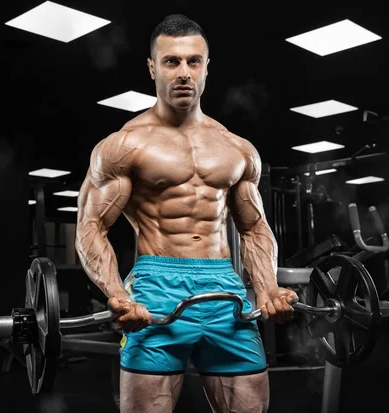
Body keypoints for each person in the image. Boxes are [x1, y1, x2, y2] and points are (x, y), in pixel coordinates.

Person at [75, 14, 299, 413]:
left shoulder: (236, 148)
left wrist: (266, 288)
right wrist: (116, 294)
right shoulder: (124, 144)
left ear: (207, 67)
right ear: (151, 67)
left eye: (194, 61)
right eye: (171, 62)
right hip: (156, 286)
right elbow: (90, 226)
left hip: (225, 288)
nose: (184, 73)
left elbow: (254, 228)